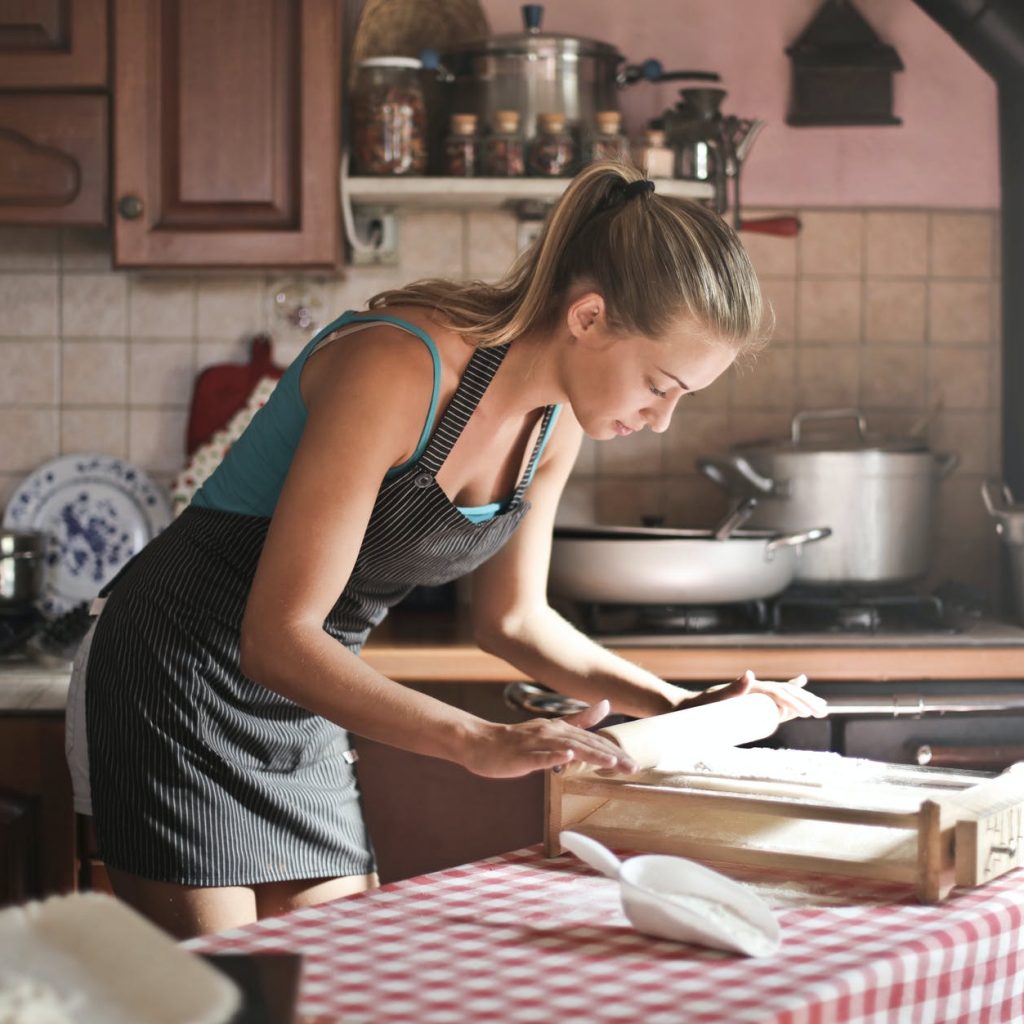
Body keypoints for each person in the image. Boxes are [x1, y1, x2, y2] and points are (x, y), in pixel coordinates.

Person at [67, 161, 826, 940]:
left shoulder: (555, 424)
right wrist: (478, 741)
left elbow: (516, 622)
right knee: (225, 992)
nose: (660, 418)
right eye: (658, 384)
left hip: (307, 690)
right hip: (177, 671)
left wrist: (683, 708)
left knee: (331, 979)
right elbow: (276, 635)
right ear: (589, 318)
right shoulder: (398, 366)